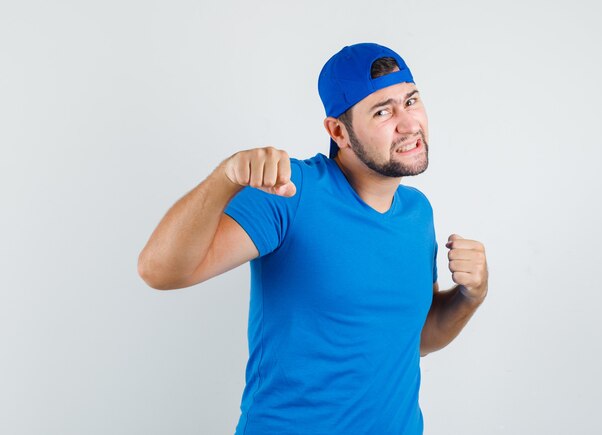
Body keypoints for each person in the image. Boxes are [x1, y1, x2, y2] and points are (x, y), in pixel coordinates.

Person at [138, 42, 488, 435]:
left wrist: (470, 296)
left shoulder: (417, 212)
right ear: (338, 131)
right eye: (382, 111)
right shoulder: (291, 192)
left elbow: (416, 337)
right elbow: (159, 271)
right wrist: (225, 180)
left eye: (410, 100)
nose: (408, 124)